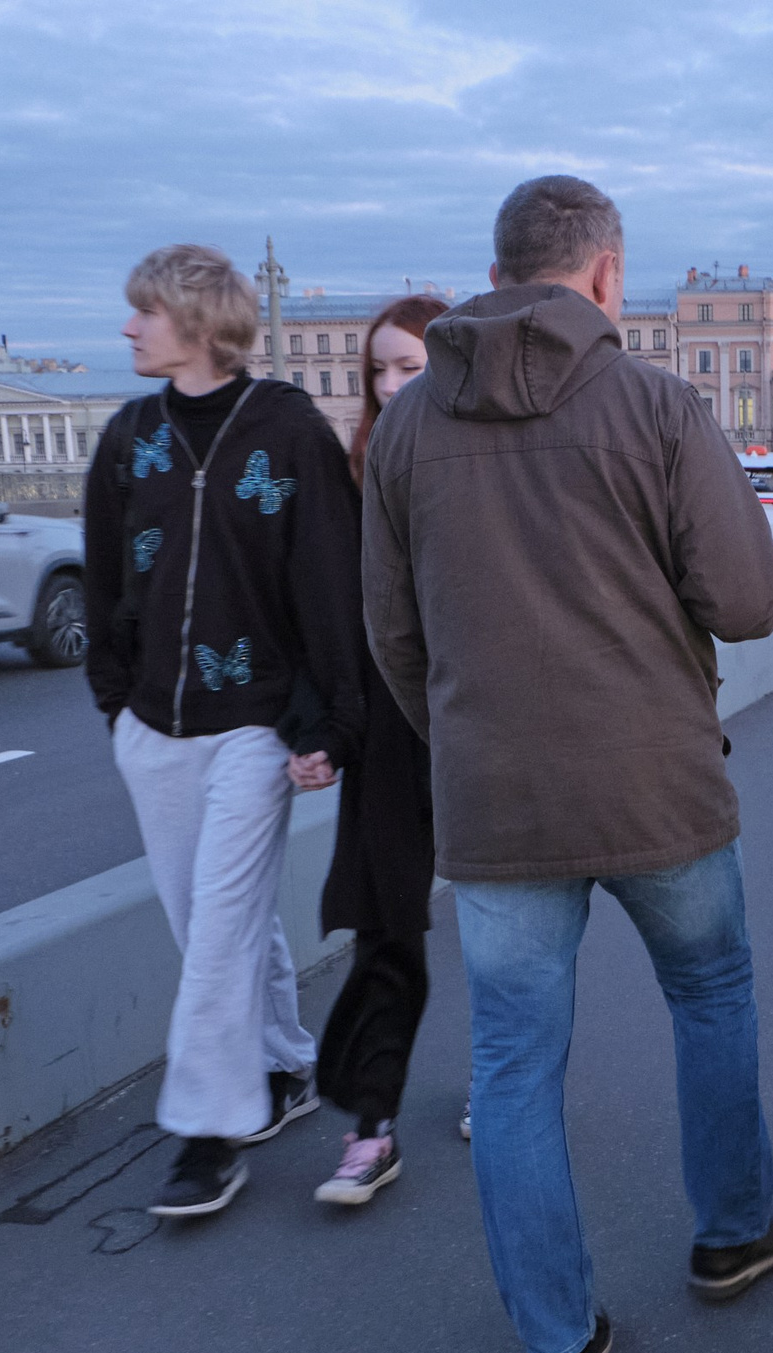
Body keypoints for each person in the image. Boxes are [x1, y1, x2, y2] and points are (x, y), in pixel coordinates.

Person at [362, 176, 773, 1353]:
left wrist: (467, 742)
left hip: (495, 809)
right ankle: (730, 1234)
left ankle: (556, 1343)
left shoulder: (403, 432)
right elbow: (751, 602)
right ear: (604, 275)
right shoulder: (655, 404)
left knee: (509, 1067)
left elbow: (391, 638)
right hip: (658, 783)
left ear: (496, 273)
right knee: (710, 996)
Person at [82, 243, 366, 1219]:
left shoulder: (285, 429)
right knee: (206, 920)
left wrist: (332, 717)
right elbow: (104, 576)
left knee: (217, 934)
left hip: (254, 724)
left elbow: (330, 575)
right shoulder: (128, 437)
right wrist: (114, 701)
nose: (128, 328)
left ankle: (207, 1136)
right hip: (154, 724)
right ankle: (286, 1065)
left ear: (198, 322)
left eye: (144, 313)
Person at [306, 294, 454, 1208]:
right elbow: (329, 619)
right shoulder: (353, 478)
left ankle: (506, 1084)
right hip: (394, 730)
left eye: (412, 367)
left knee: (516, 929)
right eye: (379, 371)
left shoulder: (485, 467)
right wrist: (328, 728)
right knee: (388, 925)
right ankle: (371, 1121)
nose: (392, 386)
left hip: (483, 722)